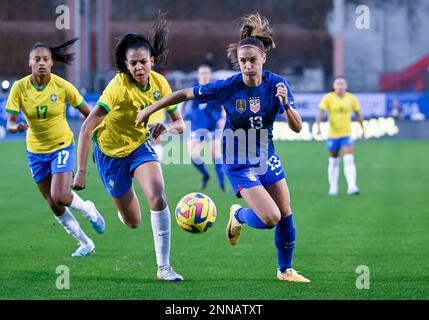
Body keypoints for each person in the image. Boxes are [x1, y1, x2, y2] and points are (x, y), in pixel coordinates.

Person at [136, 13, 310, 283]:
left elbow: (298, 127)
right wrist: (150, 109)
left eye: (253, 60)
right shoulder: (230, 86)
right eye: (243, 61)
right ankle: (238, 214)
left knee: (286, 213)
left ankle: (285, 270)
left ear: (264, 58)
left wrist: (286, 105)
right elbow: (183, 94)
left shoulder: (277, 85)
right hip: (237, 159)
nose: (248, 66)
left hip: (266, 154)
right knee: (271, 218)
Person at [72, 14, 185, 281]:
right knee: (133, 221)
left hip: (140, 146)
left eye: (143, 62)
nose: (138, 67)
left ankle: (164, 268)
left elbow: (180, 124)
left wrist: (166, 128)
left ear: (152, 61)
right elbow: (87, 128)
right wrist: (80, 172)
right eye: (132, 63)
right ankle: (123, 205)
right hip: (110, 154)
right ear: (125, 64)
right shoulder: (117, 88)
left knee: (158, 197)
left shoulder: (160, 84)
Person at [5, 38, 105, 257]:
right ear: (29, 62)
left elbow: (89, 115)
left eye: (46, 59)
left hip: (61, 145)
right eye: (37, 59)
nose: (41, 62)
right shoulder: (19, 88)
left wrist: (100, 137)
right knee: (54, 204)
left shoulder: (62, 86)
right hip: (35, 151)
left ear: (51, 63)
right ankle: (85, 243)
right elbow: (10, 122)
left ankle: (88, 209)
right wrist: (16, 127)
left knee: (59, 195)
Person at [315, 76, 365, 196]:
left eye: (342, 84)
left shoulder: (351, 98)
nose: (340, 86)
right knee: (333, 161)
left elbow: (358, 114)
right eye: (338, 84)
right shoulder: (328, 98)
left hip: (346, 134)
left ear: (346, 86)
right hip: (333, 135)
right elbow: (320, 113)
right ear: (334, 86)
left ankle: (352, 186)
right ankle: (333, 187)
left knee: (349, 158)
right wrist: (318, 127)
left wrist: (363, 129)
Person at [185, 64, 226, 191]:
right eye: (201, 73)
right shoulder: (193, 90)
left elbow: (224, 107)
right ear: (198, 75)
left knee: (216, 153)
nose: (204, 75)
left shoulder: (215, 90)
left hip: (213, 125)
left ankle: (221, 185)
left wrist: (223, 119)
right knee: (192, 155)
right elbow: (183, 104)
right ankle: (206, 174)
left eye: (206, 73)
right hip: (198, 127)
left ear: (210, 75)